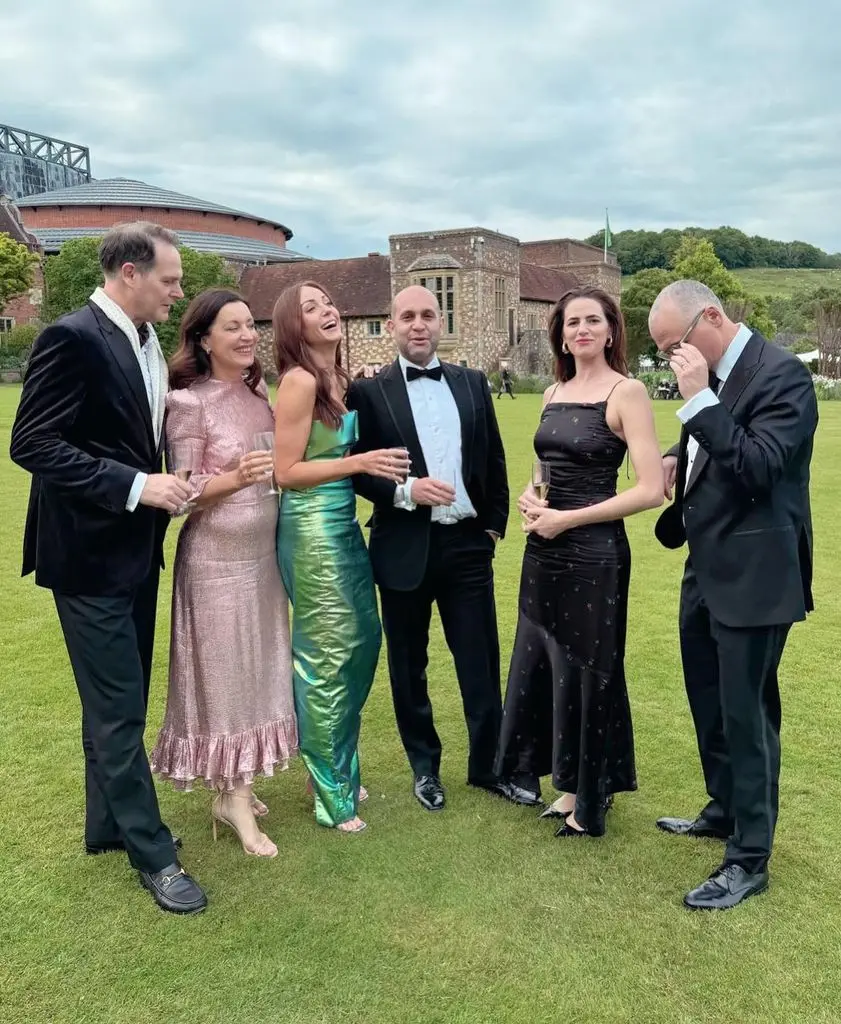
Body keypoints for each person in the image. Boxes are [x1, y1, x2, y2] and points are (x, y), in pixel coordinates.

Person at [9, 221, 207, 915]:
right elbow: (31, 443)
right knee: (120, 709)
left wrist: (164, 483)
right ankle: (155, 856)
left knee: (116, 701)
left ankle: (107, 826)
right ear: (129, 273)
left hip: (135, 551)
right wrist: (135, 485)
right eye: (170, 279)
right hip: (86, 557)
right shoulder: (72, 336)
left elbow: (129, 432)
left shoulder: (147, 342)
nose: (179, 292)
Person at [650, 279, 817, 910]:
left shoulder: (784, 377)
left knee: (746, 713)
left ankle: (749, 857)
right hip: (706, 564)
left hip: (758, 573)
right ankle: (724, 807)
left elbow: (759, 465)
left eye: (675, 345)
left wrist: (696, 402)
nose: (673, 360)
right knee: (708, 699)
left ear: (711, 318)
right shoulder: (715, 374)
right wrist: (674, 450)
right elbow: (709, 439)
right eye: (665, 351)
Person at [496, 286, 663, 837]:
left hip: (594, 554)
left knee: (591, 670)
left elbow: (650, 488)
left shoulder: (627, 391)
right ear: (561, 334)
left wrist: (568, 519)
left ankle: (591, 798)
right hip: (544, 548)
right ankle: (567, 785)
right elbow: (544, 470)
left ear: (612, 330)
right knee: (550, 665)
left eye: (594, 320)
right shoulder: (551, 392)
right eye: (572, 322)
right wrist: (530, 497)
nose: (582, 329)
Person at [347, 285, 510, 813]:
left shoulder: (473, 383)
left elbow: (494, 459)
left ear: (441, 323)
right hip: (402, 545)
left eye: (428, 315)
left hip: (466, 545)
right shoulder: (368, 393)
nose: (418, 325)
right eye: (407, 316)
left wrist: (492, 530)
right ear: (391, 325)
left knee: (480, 663)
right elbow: (358, 471)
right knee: (408, 666)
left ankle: (489, 768)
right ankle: (425, 769)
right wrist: (403, 492)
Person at [149, 289, 297, 858]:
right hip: (215, 563)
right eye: (230, 327)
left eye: (249, 326)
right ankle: (232, 798)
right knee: (227, 678)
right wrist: (235, 477)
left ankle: (238, 782)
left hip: (264, 559)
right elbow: (180, 496)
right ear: (204, 339)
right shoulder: (190, 403)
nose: (245, 336)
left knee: (260, 670)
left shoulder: (259, 394)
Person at [272, 281, 409, 833]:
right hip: (310, 531)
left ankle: (329, 768)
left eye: (327, 301)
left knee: (359, 644)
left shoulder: (340, 380)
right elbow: (286, 473)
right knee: (328, 654)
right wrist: (359, 465)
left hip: (343, 526)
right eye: (311, 307)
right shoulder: (300, 381)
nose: (326, 309)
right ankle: (333, 796)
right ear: (293, 326)